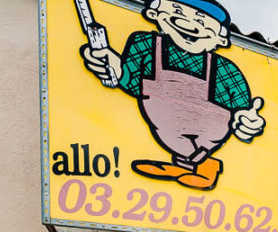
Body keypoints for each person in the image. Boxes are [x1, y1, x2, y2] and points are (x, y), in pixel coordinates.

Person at [80, 0, 265, 190]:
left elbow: (242, 111)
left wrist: (247, 122)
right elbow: (126, 77)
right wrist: (110, 66)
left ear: (221, 39)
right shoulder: (145, 46)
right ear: (154, 14)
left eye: (201, 21)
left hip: (207, 140)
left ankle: (199, 167)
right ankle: (183, 167)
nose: (188, 24)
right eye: (177, 11)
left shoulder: (226, 72)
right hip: (168, 134)